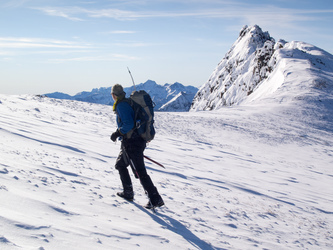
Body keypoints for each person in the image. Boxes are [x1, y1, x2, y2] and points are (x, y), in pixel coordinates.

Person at [110, 84, 164, 209]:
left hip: (132, 143)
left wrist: (117, 133)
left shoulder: (122, 105)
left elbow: (129, 124)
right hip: (133, 141)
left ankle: (155, 199)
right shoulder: (127, 102)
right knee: (120, 165)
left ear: (114, 95)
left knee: (140, 172)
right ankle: (128, 192)